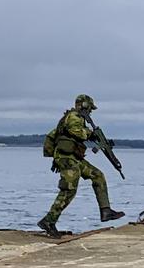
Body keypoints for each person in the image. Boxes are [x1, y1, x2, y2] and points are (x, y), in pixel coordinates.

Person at [38, 94, 125, 238]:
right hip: (67, 159)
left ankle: (106, 211)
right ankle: (48, 221)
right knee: (69, 190)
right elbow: (76, 132)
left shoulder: (79, 119)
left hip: (74, 158)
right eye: (90, 108)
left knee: (97, 176)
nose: (90, 112)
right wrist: (91, 134)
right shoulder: (73, 117)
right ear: (84, 106)